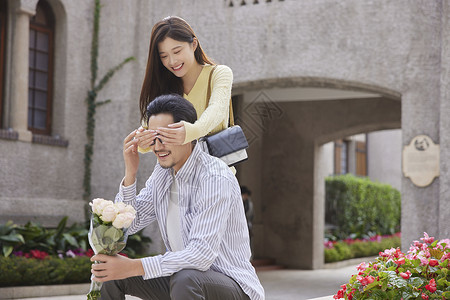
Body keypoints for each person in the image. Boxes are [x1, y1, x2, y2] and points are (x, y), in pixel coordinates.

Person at [90, 94, 264, 300]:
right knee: (109, 272)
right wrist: (130, 174)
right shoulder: (163, 174)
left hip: (233, 286)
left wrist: (134, 266)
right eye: (153, 138)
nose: (157, 146)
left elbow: (201, 256)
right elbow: (130, 224)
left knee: (186, 277)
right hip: (182, 282)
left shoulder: (214, 176)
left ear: (187, 133)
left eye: (164, 136)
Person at [135, 16, 233, 150]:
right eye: (164, 56)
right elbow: (146, 129)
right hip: (176, 171)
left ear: (194, 44)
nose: (172, 61)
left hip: (216, 169)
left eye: (177, 51)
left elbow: (217, 110)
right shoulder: (163, 85)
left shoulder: (219, 74)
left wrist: (191, 131)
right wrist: (142, 141)